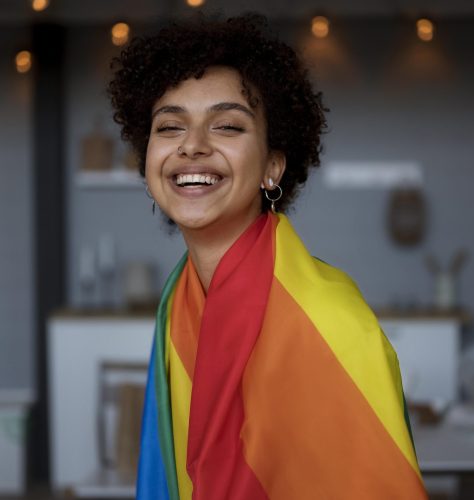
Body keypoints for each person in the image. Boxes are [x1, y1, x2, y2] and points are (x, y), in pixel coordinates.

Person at [108, 13, 427, 500]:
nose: (191, 146)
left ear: (272, 167)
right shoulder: (179, 305)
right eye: (170, 127)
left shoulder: (328, 320)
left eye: (228, 126)